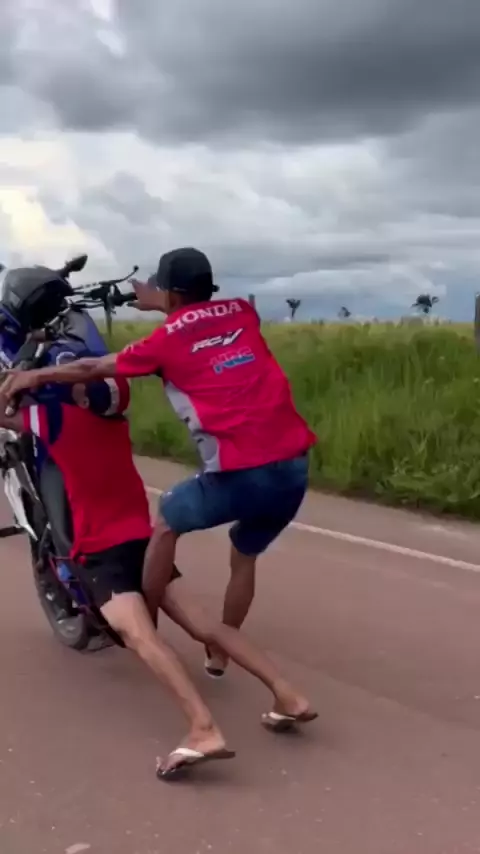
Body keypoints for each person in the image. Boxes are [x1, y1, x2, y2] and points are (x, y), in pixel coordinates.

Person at [1, 247, 317, 680]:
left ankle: (144, 621)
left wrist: (36, 375)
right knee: (244, 557)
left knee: (167, 519)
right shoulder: (243, 313)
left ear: (170, 294)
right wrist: (158, 300)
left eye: (157, 285)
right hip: (295, 465)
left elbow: (96, 366)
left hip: (242, 471)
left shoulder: (166, 341)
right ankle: (219, 654)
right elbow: (198, 321)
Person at [0, 385, 316, 780]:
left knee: (141, 637)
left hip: (102, 553)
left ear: (83, 400)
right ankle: (288, 694)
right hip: (145, 545)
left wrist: (16, 382)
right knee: (206, 626)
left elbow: (4, 415)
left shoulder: (59, 419)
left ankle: (203, 728)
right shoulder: (116, 424)